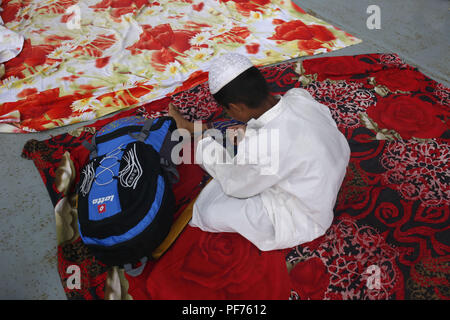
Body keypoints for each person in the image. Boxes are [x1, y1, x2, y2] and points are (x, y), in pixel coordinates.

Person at [168, 53, 350, 251]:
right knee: (245, 141)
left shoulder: (265, 147)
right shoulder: (299, 97)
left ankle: (191, 131)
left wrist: (203, 144)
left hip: (307, 215)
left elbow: (234, 185)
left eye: (226, 111)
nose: (229, 115)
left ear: (236, 107)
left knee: (209, 211)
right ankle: (194, 129)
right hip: (329, 170)